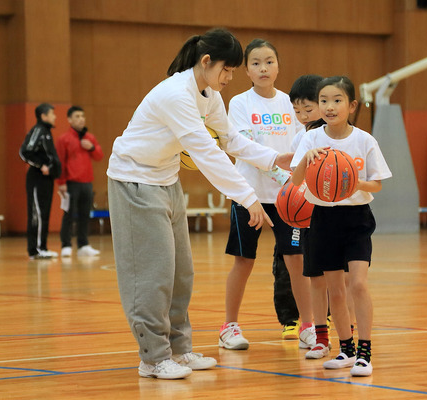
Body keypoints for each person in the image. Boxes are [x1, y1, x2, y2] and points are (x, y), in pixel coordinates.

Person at [106, 28, 292, 380]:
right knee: (153, 274)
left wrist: (273, 158)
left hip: (166, 180)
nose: (230, 76)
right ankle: (153, 358)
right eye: (227, 68)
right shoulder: (176, 94)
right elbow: (207, 153)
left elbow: (230, 139)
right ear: (206, 61)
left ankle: (178, 350)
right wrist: (248, 197)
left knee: (181, 273)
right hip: (134, 181)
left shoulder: (210, 94)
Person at [291, 76, 392, 377]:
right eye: (323, 100)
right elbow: (296, 182)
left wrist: (351, 182)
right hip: (323, 218)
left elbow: (376, 184)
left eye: (336, 100)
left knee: (357, 284)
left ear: (351, 105)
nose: (329, 106)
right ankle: (345, 349)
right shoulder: (311, 139)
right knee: (335, 290)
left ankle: (365, 351)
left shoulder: (364, 140)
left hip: (356, 217)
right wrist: (305, 161)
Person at [219, 39, 315, 351]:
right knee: (243, 261)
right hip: (250, 196)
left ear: (278, 66)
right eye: (257, 62)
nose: (264, 68)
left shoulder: (290, 103)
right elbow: (244, 148)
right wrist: (282, 173)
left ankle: (308, 326)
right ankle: (229, 326)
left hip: (288, 198)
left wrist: (295, 184)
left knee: (296, 260)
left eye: (269, 61)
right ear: (246, 69)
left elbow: (301, 147)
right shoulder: (240, 103)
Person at [272, 74, 323, 341]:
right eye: (297, 110)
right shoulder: (298, 138)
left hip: (328, 213)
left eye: (308, 109)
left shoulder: (334, 134)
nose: (302, 115)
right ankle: (306, 324)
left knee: (335, 270)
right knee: (296, 263)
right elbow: (293, 175)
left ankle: (337, 322)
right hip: (300, 213)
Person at [56, 106, 104, 258]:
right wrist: (61, 182)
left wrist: (91, 148)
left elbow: (99, 156)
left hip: (87, 182)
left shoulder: (89, 138)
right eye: (77, 116)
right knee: (69, 214)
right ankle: (66, 245)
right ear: (69, 119)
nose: (81, 119)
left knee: (85, 214)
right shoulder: (64, 139)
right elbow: (60, 162)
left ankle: (83, 244)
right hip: (71, 183)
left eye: (82, 116)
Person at [19, 103, 62, 260]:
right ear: (43, 116)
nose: (54, 116)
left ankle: (42, 247)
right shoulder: (38, 130)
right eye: (51, 113)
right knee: (37, 214)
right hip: (37, 178)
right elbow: (24, 152)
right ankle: (35, 249)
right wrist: (41, 165)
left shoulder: (47, 133)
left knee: (44, 213)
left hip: (47, 179)